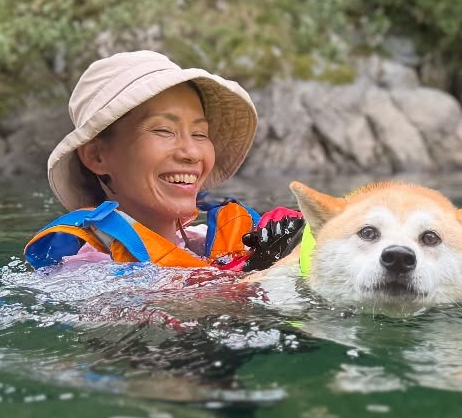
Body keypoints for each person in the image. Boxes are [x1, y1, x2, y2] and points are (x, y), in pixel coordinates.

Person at [24, 49, 303, 271]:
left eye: (200, 134)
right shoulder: (89, 266)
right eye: (163, 130)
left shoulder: (208, 239)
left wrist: (295, 249)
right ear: (97, 156)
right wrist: (257, 269)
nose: (191, 153)